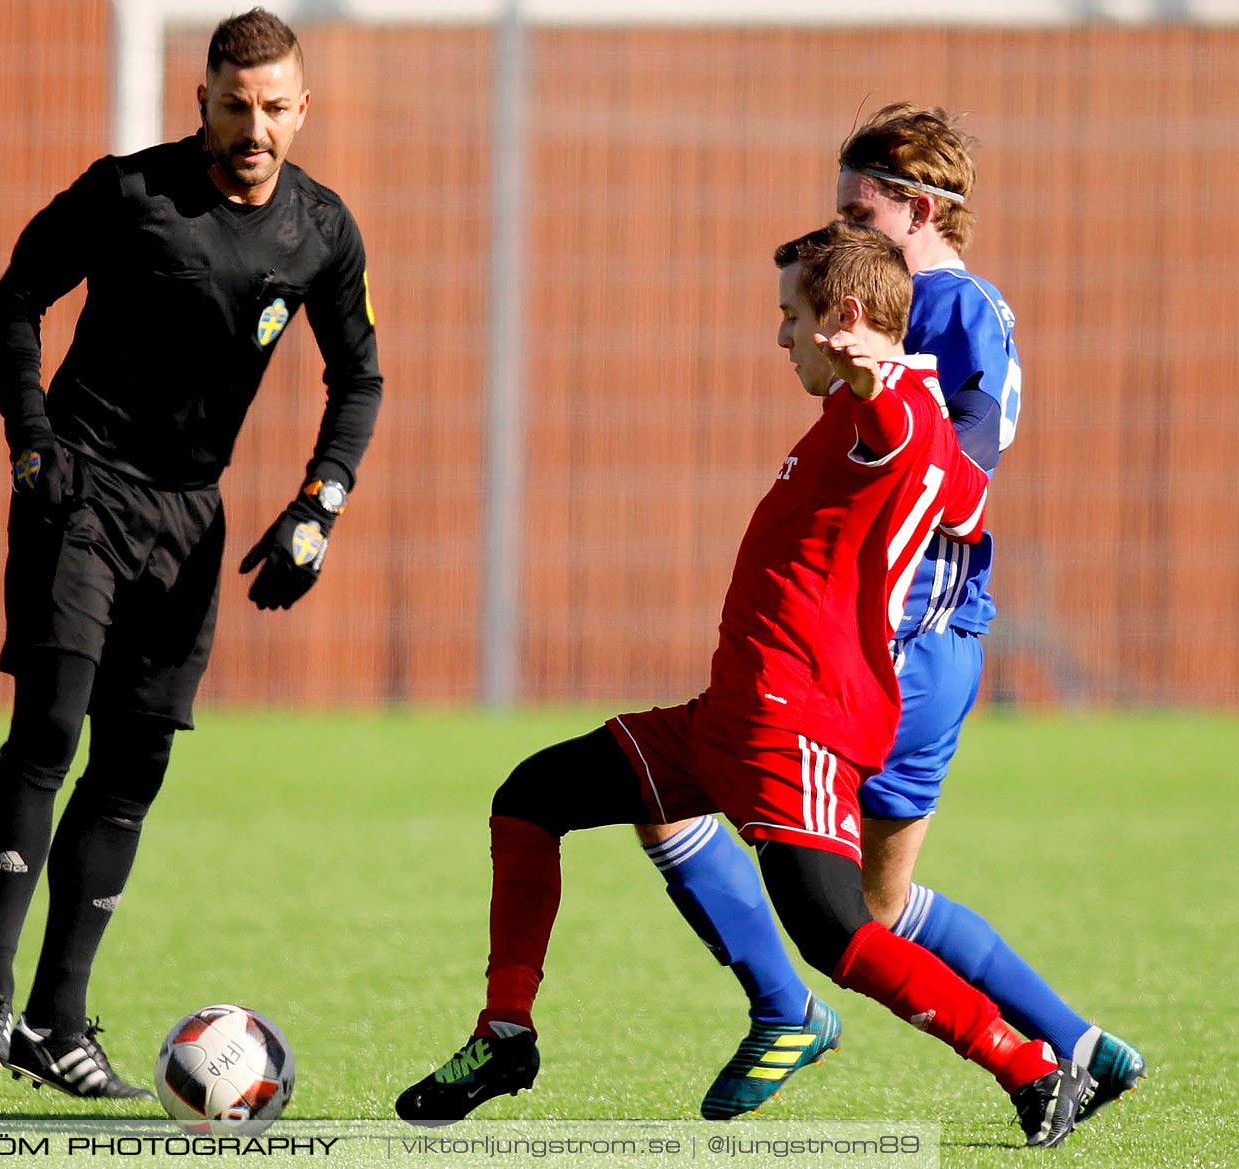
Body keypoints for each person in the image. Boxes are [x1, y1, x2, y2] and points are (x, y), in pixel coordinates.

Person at [397, 222, 1093, 1149]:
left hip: (794, 728)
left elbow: (899, 424)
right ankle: (504, 1033)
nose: (779, 338)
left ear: (844, 319)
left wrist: (872, 372)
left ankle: (1031, 1065)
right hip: (728, 717)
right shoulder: (880, 414)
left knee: (838, 934)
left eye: (789, 317)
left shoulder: (893, 411)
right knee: (531, 796)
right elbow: (950, 488)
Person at [632, 105, 1142, 1121]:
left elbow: (964, 460)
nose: (841, 236)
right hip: (936, 640)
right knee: (878, 900)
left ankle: (788, 1009)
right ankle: (1081, 1041)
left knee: (679, 782)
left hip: (898, 642)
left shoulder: (944, 306)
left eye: (856, 211)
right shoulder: (947, 305)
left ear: (919, 208)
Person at [0, 6, 381, 1099]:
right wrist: (31, 441)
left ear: (302, 110)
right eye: (235, 105)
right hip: (82, 486)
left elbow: (359, 376)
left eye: (274, 108)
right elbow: (17, 295)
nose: (254, 127)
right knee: (50, 723)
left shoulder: (321, 232)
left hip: (190, 519)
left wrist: (318, 502)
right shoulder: (130, 193)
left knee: (135, 765)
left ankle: (59, 1020)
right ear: (201, 103)